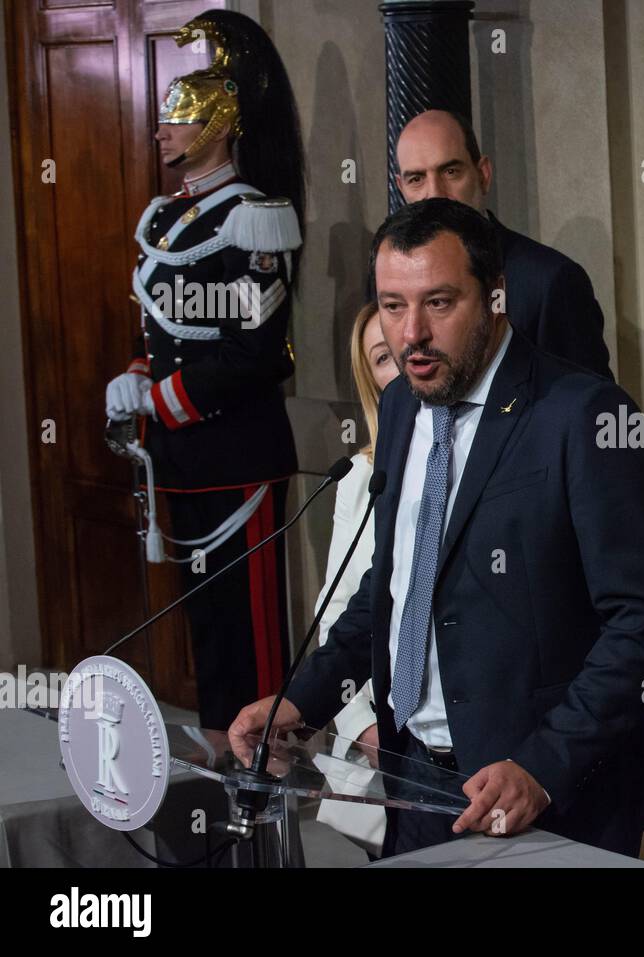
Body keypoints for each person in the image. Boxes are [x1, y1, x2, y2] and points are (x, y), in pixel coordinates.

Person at [230, 198, 644, 858]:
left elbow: (643, 618)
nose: (408, 332)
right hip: (413, 779)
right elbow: (392, 592)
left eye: (438, 303)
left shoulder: (583, 416)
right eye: (391, 304)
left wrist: (545, 765)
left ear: (496, 297)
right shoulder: (401, 408)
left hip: (549, 797)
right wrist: (301, 700)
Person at [103, 10, 305, 730]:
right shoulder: (166, 216)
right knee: (206, 636)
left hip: (235, 455)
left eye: (176, 118)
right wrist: (135, 373)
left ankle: (262, 776)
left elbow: (256, 353)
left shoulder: (255, 216)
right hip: (178, 458)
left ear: (217, 126)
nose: (161, 130)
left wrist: (162, 397)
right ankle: (221, 772)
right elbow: (160, 326)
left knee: (250, 644)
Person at [394, 109, 612, 378]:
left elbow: (589, 409)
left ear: (483, 174)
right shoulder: (388, 284)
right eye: (416, 179)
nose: (435, 194)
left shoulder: (549, 282)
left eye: (450, 171)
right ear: (401, 189)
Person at [309, 302, 399, 856]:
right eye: (382, 357)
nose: (403, 360)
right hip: (374, 735)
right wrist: (363, 724)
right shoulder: (360, 473)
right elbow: (337, 608)